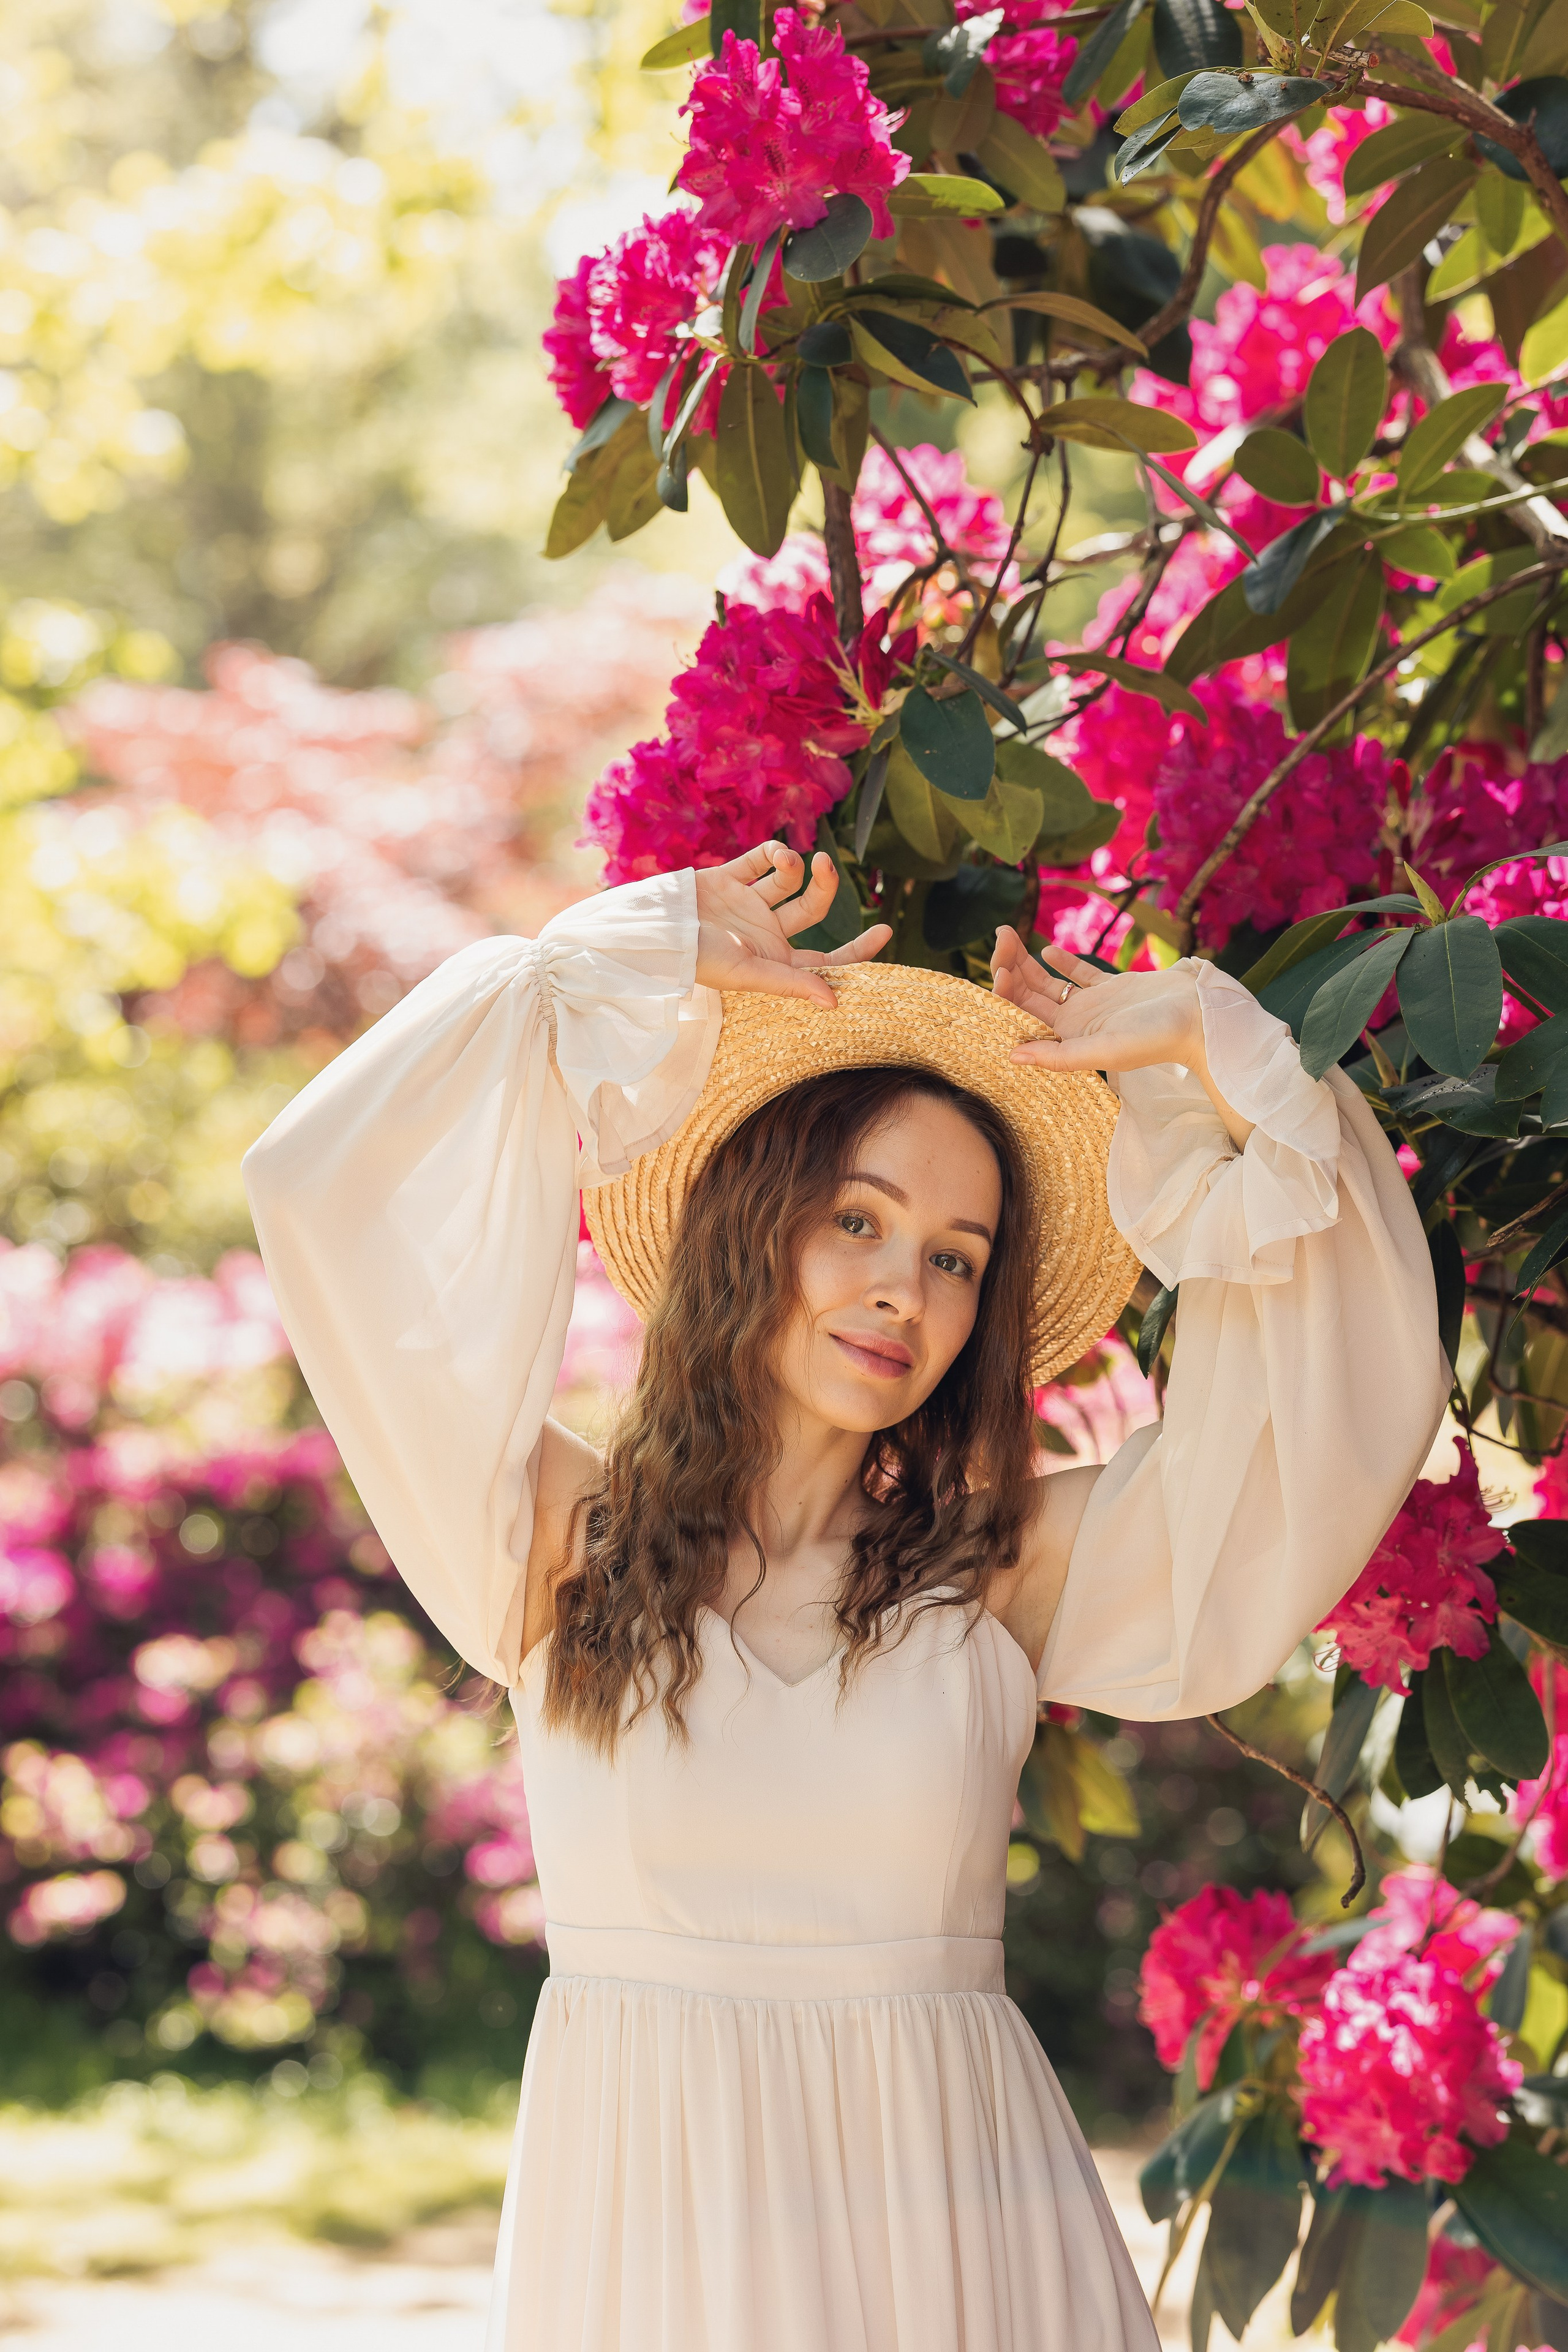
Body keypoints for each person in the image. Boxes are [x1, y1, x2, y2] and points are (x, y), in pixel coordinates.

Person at [243, 841, 1448, 2352]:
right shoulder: (557, 1542)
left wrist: (1215, 1053)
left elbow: (1318, 1430)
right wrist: (605, 962)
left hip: (963, 2245)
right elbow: (323, 1201)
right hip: (656, 2249)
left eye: (956, 1259)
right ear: (754, 1221)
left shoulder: (999, 1567)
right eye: (857, 1221)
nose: (902, 1291)